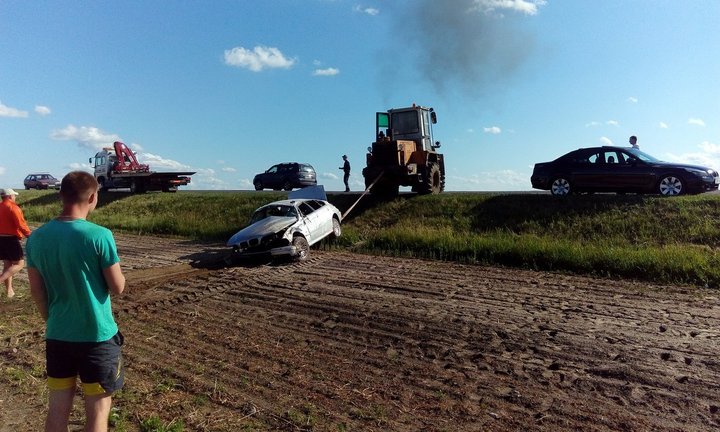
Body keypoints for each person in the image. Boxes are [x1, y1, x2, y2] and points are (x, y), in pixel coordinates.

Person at [27, 171, 126, 432]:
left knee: (57, 411)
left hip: (58, 336)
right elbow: (117, 287)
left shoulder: (36, 238)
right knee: (97, 414)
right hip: (97, 338)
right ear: (93, 197)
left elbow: (37, 291)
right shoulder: (100, 235)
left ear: (61, 196)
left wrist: (51, 319)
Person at [0, 188, 32, 298]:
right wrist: (29, 235)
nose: (15, 197)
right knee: (19, 264)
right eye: (14, 196)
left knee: (7, 265)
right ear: (9, 196)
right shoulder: (13, 208)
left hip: (1, 239)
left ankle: (9, 291)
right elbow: (21, 224)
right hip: (11, 239)